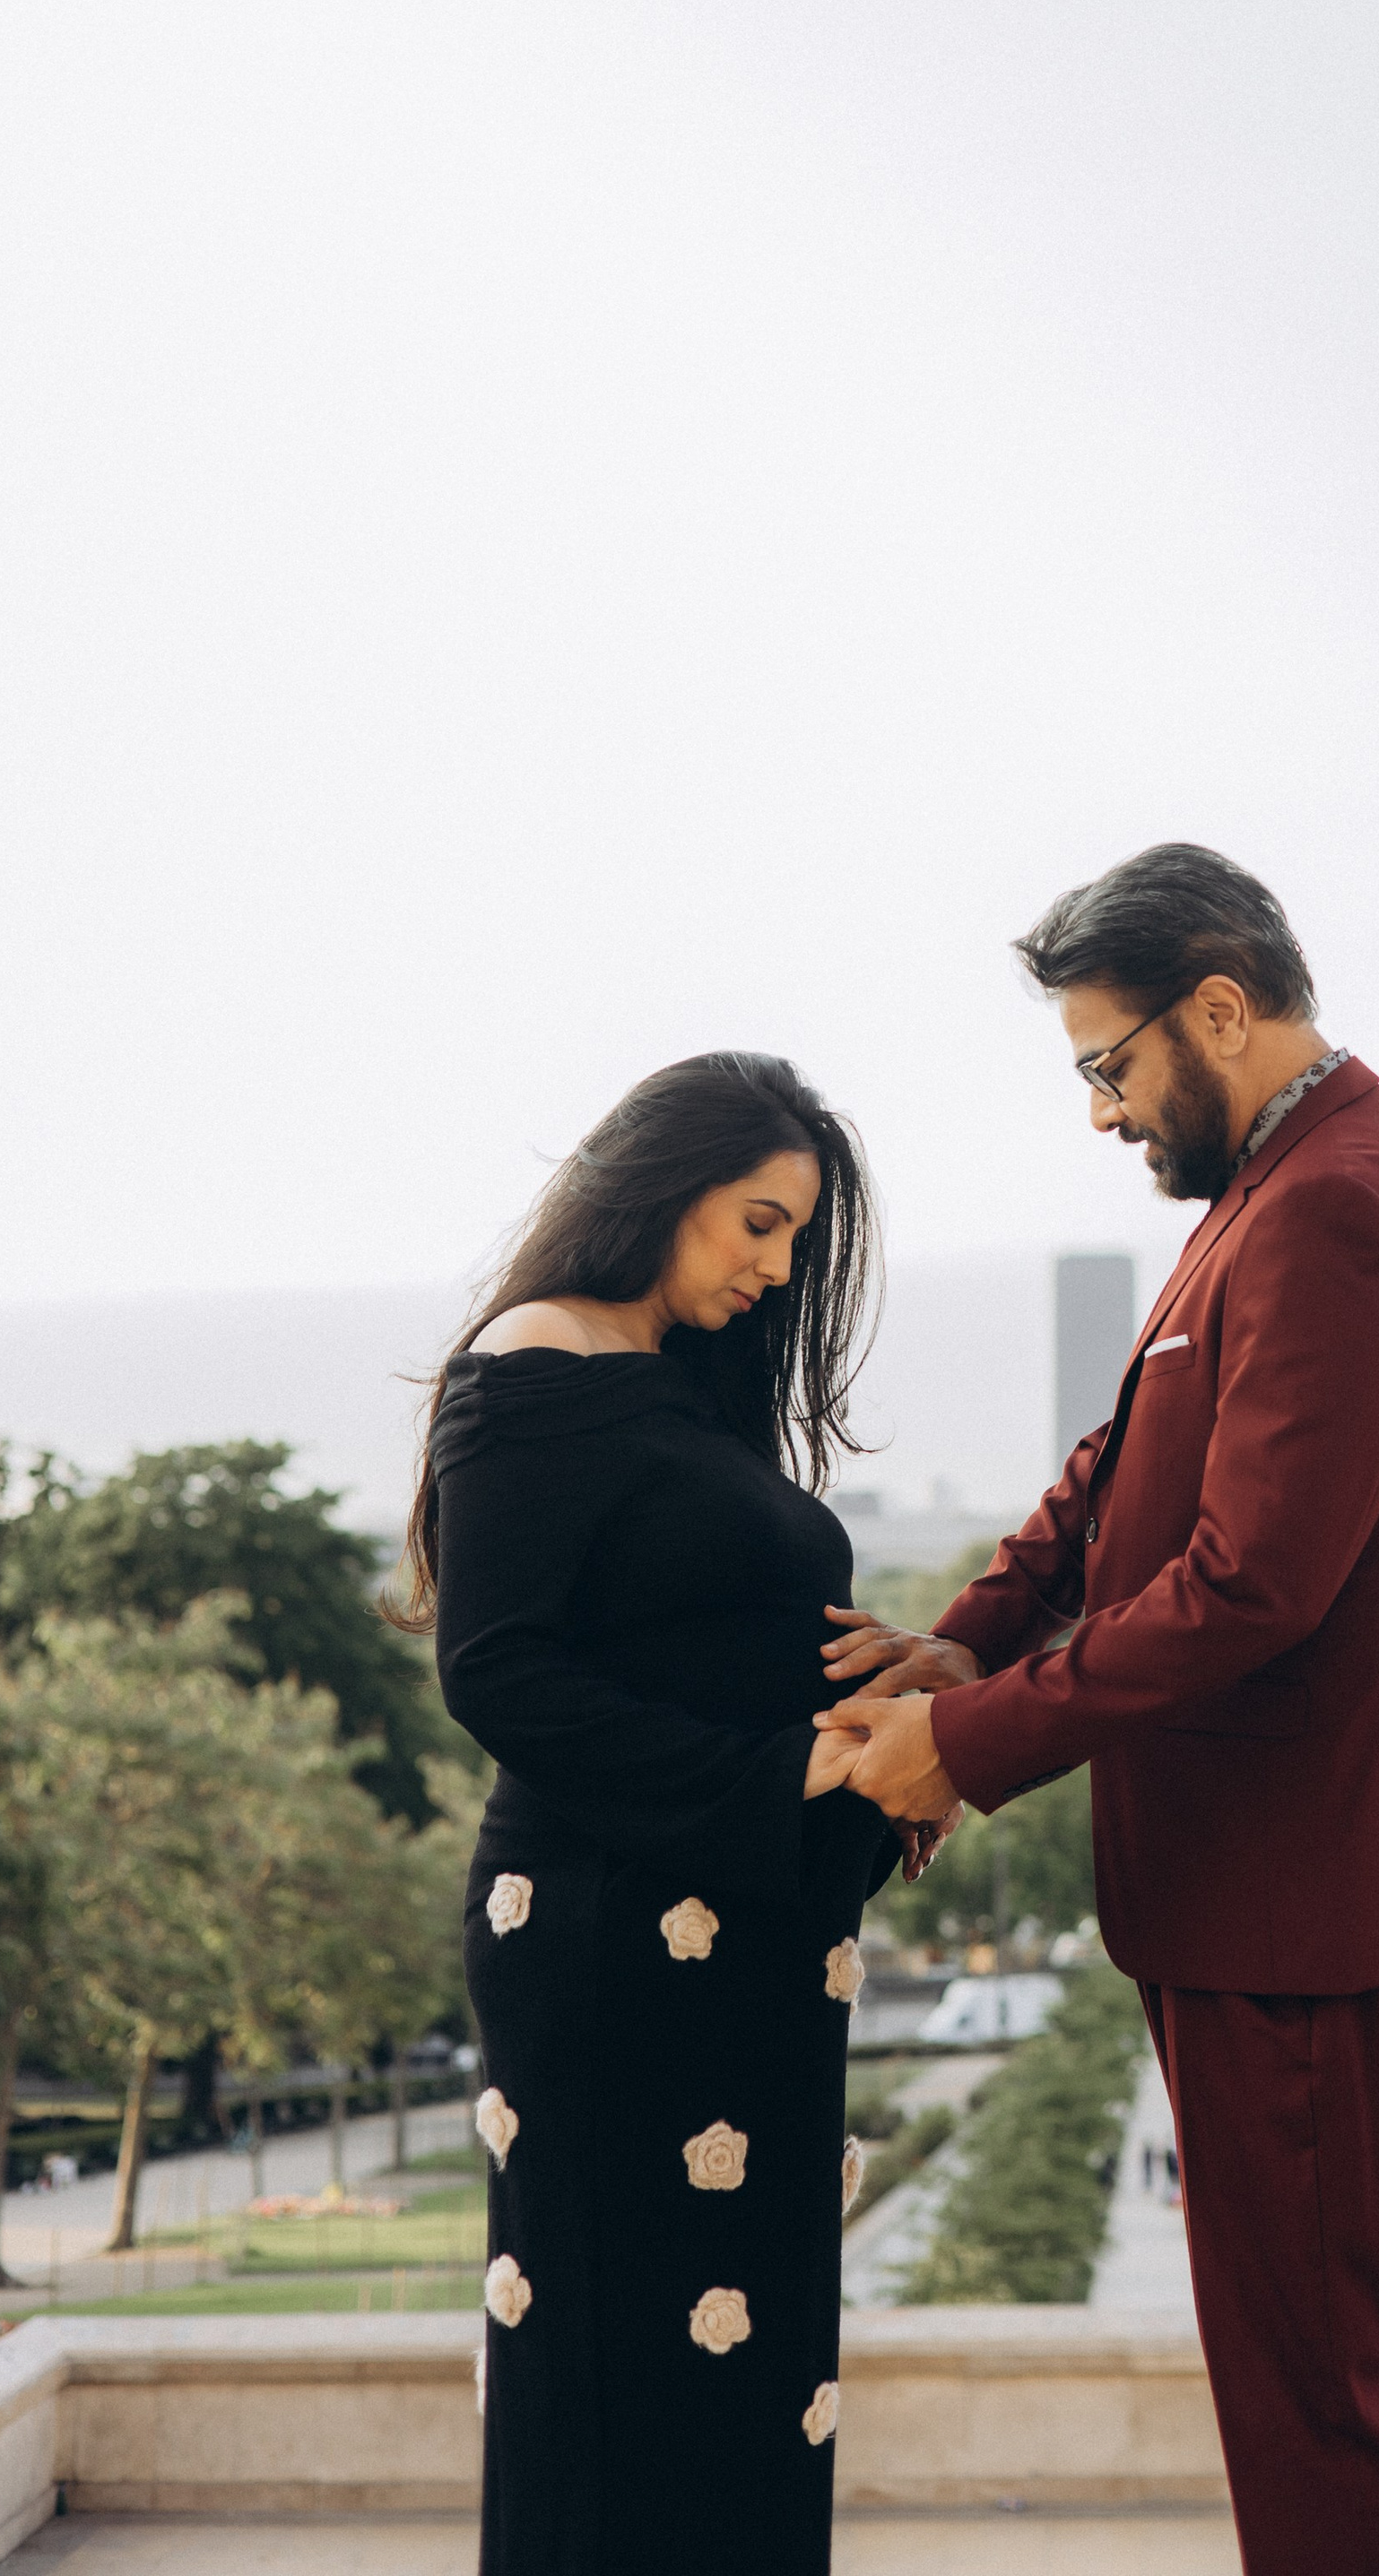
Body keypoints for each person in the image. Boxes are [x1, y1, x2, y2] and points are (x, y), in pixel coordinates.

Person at [819, 846, 1379, 2576]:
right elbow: (1119, 1469)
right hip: (1280, 1895)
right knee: (1298, 2384)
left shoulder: (1340, 1204)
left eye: (1107, 1063)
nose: (1101, 1111)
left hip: (1312, 1905)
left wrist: (962, 1752)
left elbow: (1250, 1581)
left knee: (1315, 2398)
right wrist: (963, 1649)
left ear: (1218, 1006)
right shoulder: (1278, 1193)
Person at [395, 1050, 932, 2576]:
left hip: (742, 1935)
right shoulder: (538, 1359)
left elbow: (682, 1633)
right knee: (630, 2376)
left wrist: (879, 1739)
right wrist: (794, 1777)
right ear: (660, 1184)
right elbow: (497, 1673)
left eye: (795, 1242)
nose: (776, 1269)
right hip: (623, 1941)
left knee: (750, 2382)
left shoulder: (671, 1386)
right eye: (758, 1223)